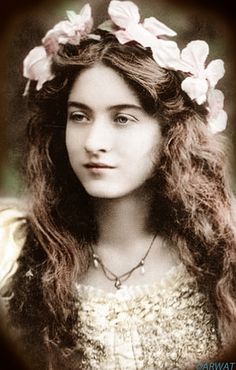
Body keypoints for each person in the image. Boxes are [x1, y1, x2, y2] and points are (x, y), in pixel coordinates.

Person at [0, 1, 236, 369]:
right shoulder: (14, 251)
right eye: (79, 116)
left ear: (169, 133)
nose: (94, 141)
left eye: (123, 119)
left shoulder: (222, 252)